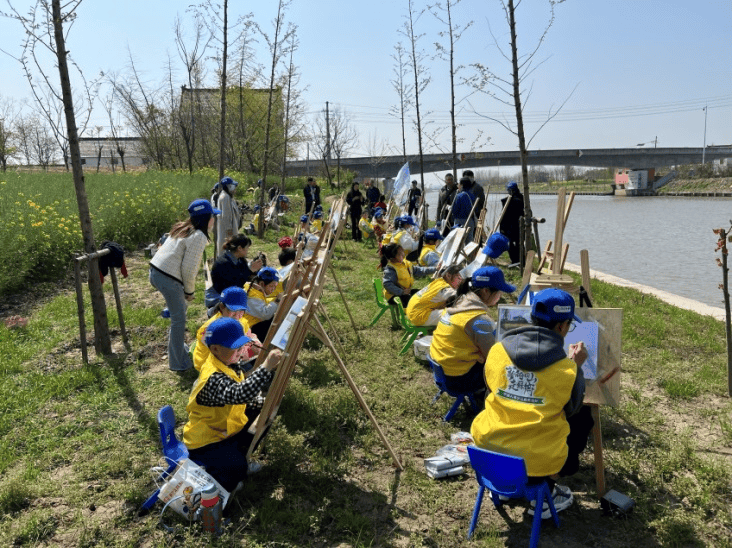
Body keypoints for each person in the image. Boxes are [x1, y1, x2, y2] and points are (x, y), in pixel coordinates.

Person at [471, 288, 594, 519]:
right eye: (569, 325)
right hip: (538, 465)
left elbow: (491, 389)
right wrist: (575, 367)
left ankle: (504, 488)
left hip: (488, 454)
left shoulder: (497, 351)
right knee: (582, 419)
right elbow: (573, 409)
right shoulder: (566, 370)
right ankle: (545, 497)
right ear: (561, 327)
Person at [183, 317, 281, 492]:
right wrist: (266, 366)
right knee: (236, 468)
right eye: (234, 347)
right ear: (215, 349)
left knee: (264, 414)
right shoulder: (212, 377)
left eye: (241, 345)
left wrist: (262, 403)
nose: (240, 350)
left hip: (222, 429)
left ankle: (239, 453)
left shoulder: (228, 363)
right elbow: (239, 394)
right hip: (205, 441)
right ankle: (221, 484)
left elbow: (240, 396)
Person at [150, 199, 220, 372]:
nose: (214, 219)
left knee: (178, 313)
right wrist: (189, 291)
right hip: (167, 277)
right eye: (213, 216)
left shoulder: (184, 228)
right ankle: (178, 363)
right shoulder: (199, 236)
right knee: (179, 320)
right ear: (206, 218)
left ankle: (178, 349)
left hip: (156, 272)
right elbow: (189, 269)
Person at [429, 266, 515, 398]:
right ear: (486, 291)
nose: (500, 296)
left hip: (443, 371)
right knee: (508, 367)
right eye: (500, 292)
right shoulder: (478, 319)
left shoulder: (459, 302)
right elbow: (493, 355)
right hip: (458, 380)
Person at [193, 287, 260, 371]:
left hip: (230, 357)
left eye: (241, 311)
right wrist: (247, 352)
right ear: (222, 307)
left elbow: (248, 333)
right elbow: (221, 354)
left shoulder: (241, 321)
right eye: (233, 311)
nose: (237, 315)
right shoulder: (210, 328)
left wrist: (255, 343)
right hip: (210, 364)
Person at [208, 235, 264, 309]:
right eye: (247, 248)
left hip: (233, 295)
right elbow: (235, 284)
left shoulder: (240, 259)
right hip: (221, 300)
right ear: (240, 248)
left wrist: (252, 282)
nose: (248, 250)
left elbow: (243, 276)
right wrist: (250, 270)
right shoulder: (223, 263)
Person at [379, 243, 435, 308]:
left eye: (403, 251)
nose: (403, 254)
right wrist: (401, 292)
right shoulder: (391, 269)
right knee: (418, 302)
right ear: (393, 258)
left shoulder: (404, 263)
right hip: (394, 297)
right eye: (400, 254)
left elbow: (419, 270)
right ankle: (417, 315)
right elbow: (387, 284)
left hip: (404, 293)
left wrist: (435, 269)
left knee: (424, 295)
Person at [243, 266, 281, 341]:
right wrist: (277, 301)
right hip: (246, 329)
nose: (273, 289)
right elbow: (265, 314)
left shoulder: (257, 292)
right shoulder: (252, 295)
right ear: (261, 283)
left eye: (275, 286)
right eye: (271, 286)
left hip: (250, 326)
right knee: (271, 320)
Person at [211, 176, 241, 258]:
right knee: (226, 251)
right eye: (233, 186)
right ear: (229, 186)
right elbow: (226, 216)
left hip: (228, 230)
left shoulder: (227, 196)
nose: (235, 188)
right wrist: (229, 233)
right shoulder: (225, 197)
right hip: (227, 232)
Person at [500, 180, 525, 265]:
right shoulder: (522, 198)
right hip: (519, 225)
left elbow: (504, 216)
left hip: (511, 226)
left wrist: (502, 228)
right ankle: (522, 260)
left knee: (511, 243)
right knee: (519, 243)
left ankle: (515, 260)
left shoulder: (509, 201)